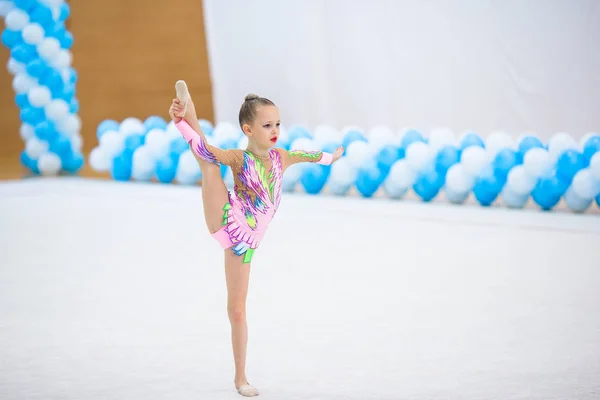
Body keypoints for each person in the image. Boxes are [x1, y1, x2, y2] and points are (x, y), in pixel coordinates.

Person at [169, 81, 344, 397]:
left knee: (237, 309)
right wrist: (182, 124)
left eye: (277, 123)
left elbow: (308, 155)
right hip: (228, 223)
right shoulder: (238, 157)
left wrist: (332, 157)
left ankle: (240, 377)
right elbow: (207, 150)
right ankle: (241, 379)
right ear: (248, 130)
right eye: (267, 125)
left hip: (248, 244)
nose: (274, 130)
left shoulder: (281, 157)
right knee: (209, 167)